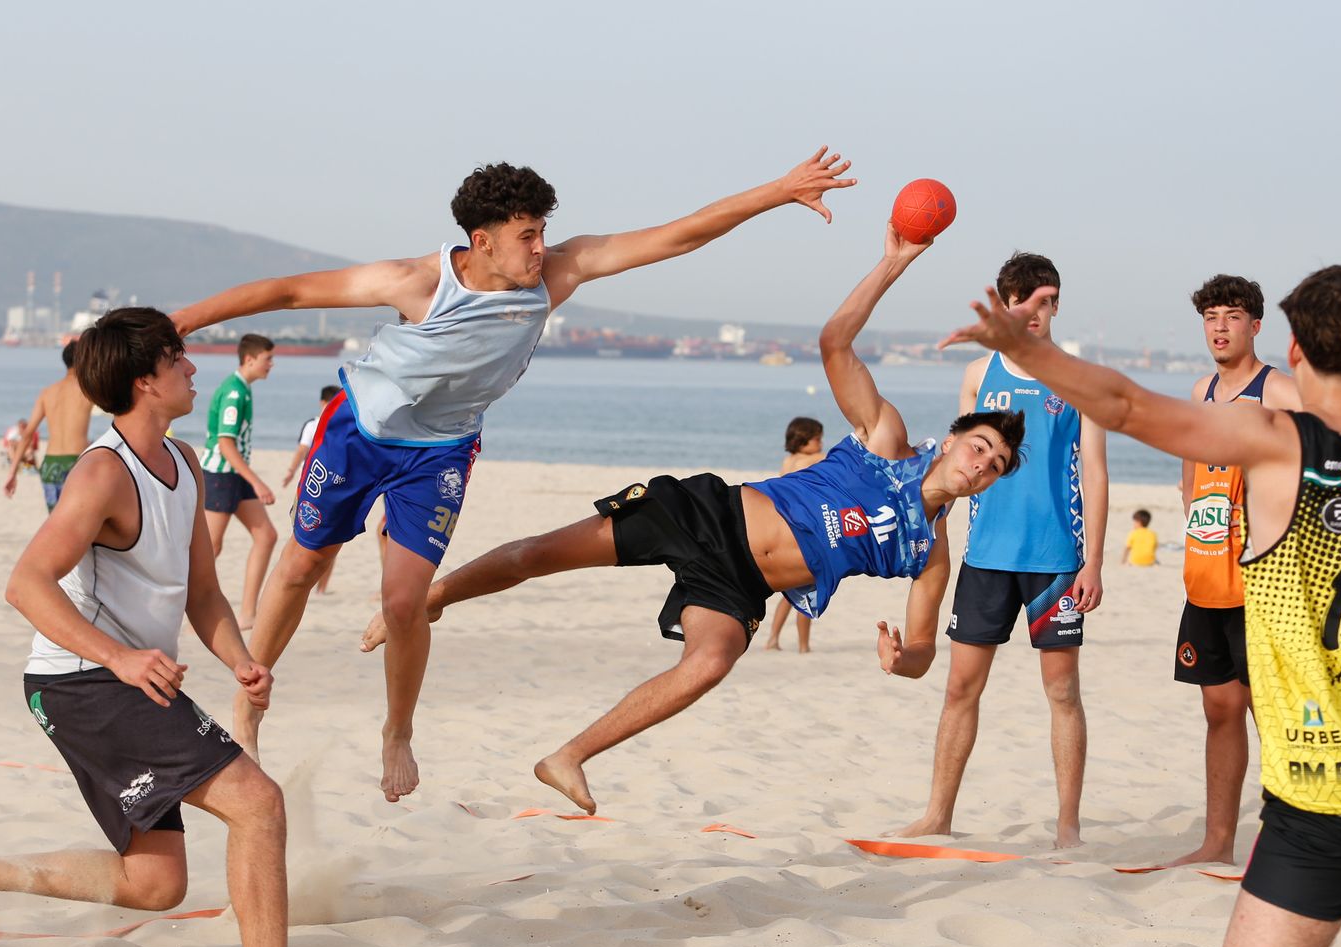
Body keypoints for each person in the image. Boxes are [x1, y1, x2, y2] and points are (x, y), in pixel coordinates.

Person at [170, 147, 857, 793]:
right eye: (527, 235)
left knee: (405, 601)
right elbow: (289, 292)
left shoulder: (557, 272)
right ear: (482, 241)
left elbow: (678, 237)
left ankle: (397, 731)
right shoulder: (417, 282)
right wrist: (180, 321)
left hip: (439, 452)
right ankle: (249, 705)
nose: (540, 247)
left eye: (543, 231)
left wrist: (778, 191)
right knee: (298, 566)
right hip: (361, 431)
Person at [363, 225, 1025, 814]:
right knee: (539, 555)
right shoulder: (885, 439)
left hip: (741, 585)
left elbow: (923, 654)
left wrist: (901, 659)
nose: (982, 465)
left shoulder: (927, 549)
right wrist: (892, 263)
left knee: (709, 662)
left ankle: (567, 756)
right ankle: (435, 596)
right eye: (979, 447)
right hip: (707, 514)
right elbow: (835, 342)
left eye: (995, 465)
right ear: (950, 439)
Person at [941, 261, 1341, 947]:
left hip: (1319, 794)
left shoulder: (1268, 438)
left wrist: (1030, 352)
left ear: (1291, 345)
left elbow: (1123, 406)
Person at [0, 308, 290, 947]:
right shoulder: (102, 473)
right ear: (145, 380)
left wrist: (241, 659)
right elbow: (25, 582)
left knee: (156, 884)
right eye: (178, 358)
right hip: (81, 681)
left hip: (126, 680)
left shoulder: (184, 462)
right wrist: (119, 657)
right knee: (259, 802)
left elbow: (201, 591)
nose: (193, 368)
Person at [892, 252, 1106, 850]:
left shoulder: (1078, 377)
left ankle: (1068, 827)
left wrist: (1093, 560)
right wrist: (927, 523)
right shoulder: (979, 373)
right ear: (1006, 303)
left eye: (1049, 302)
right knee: (960, 689)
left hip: (1055, 561)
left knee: (1062, 693)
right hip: (985, 557)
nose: (1038, 312)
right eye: (1027, 301)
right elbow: (958, 463)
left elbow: (1094, 471)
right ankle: (937, 815)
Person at [1168, 274, 1300, 868]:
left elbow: (1319, 474)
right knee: (1219, 711)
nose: (1220, 327)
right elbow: (1190, 476)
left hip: (1264, 585)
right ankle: (1218, 842)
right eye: (1211, 317)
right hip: (1205, 579)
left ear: (1255, 325)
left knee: (1275, 716)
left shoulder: (1280, 391)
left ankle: (1300, 843)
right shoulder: (1202, 391)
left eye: (1232, 316)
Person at [199, 334, 278, 629]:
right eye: (268, 358)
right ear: (249, 359)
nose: (272, 364)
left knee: (266, 536)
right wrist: (257, 482)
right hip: (221, 475)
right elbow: (225, 444)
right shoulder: (233, 392)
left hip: (235, 473)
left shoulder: (243, 388)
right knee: (210, 548)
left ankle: (247, 614)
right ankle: (192, 612)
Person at [4, 340, 96, 512]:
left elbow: (27, 434)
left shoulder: (47, 393)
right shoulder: (88, 390)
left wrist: (12, 472)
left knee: (56, 521)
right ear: (84, 360)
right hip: (76, 463)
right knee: (81, 521)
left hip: (51, 464)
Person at [763, 416, 825, 652]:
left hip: (785, 527)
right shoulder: (816, 459)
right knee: (810, 589)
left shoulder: (788, 461)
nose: (821, 443)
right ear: (803, 440)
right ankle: (803, 646)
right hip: (806, 529)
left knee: (790, 591)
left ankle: (773, 639)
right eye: (817, 439)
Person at [283, 384, 344, 595]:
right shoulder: (313, 425)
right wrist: (291, 471)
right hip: (311, 484)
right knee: (305, 534)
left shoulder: (340, 424)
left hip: (333, 486)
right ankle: (310, 585)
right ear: (322, 403)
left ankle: (322, 588)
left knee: (331, 540)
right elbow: (302, 450)